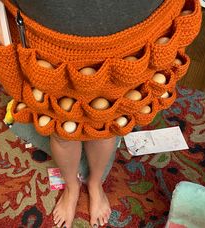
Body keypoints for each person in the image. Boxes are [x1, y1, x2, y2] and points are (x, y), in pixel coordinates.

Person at [12, 1, 163, 227]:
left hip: (130, 32)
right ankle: (72, 186)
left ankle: (94, 183)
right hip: (47, 34)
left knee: (105, 122)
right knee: (61, 125)